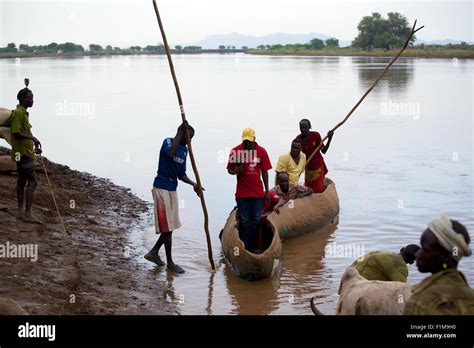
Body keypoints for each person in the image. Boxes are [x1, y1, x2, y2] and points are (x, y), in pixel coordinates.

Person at [144, 121, 202, 274]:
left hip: (172, 189)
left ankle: (154, 252)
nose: (190, 141)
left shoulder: (184, 151)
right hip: (161, 187)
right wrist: (179, 132)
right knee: (167, 227)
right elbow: (170, 153)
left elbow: (181, 174)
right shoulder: (169, 141)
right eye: (188, 137)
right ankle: (169, 262)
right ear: (182, 134)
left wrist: (194, 184)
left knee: (171, 226)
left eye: (192, 139)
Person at [404, 216, 474, 315]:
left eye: (425, 249)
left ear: (446, 257)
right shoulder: (465, 291)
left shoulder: (429, 298)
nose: (417, 254)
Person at [227, 128, 272, 252]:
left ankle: (253, 245)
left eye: (249, 142)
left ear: (254, 140)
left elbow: (265, 172)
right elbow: (229, 169)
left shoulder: (261, 151)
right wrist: (236, 170)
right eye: (245, 142)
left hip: (257, 193)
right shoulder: (235, 151)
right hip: (242, 194)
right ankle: (247, 247)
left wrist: (267, 191)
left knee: (256, 220)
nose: (247, 144)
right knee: (245, 221)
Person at [10, 82, 42, 222]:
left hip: (24, 152)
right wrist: (33, 138)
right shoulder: (18, 114)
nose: (32, 100)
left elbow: (23, 133)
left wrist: (34, 145)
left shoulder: (23, 113)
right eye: (30, 98)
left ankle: (20, 213)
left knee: (21, 182)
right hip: (23, 154)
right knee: (33, 182)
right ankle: (27, 214)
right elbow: (16, 133)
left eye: (32, 98)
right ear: (23, 99)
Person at [296, 119, 333, 193]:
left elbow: (324, 151)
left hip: (317, 166)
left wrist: (329, 139)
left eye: (305, 127)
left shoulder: (316, 135)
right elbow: (297, 156)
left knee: (318, 190)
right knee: (308, 190)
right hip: (308, 168)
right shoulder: (298, 139)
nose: (303, 130)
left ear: (309, 127)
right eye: (301, 128)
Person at [352, 245, 420, 282]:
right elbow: (402, 289)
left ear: (401, 249)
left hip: (350, 281)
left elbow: (353, 265)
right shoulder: (400, 267)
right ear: (411, 262)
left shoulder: (381, 253)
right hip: (363, 287)